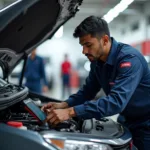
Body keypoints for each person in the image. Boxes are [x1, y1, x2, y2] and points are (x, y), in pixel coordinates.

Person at [42, 16, 150, 149]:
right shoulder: (97, 62)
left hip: (146, 124)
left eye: (88, 45)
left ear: (104, 40)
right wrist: (64, 105)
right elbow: (88, 91)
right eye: (82, 46)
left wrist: (70, 112)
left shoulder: (129, 60)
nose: (84, 51)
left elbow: (116, 102)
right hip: (126, 119)